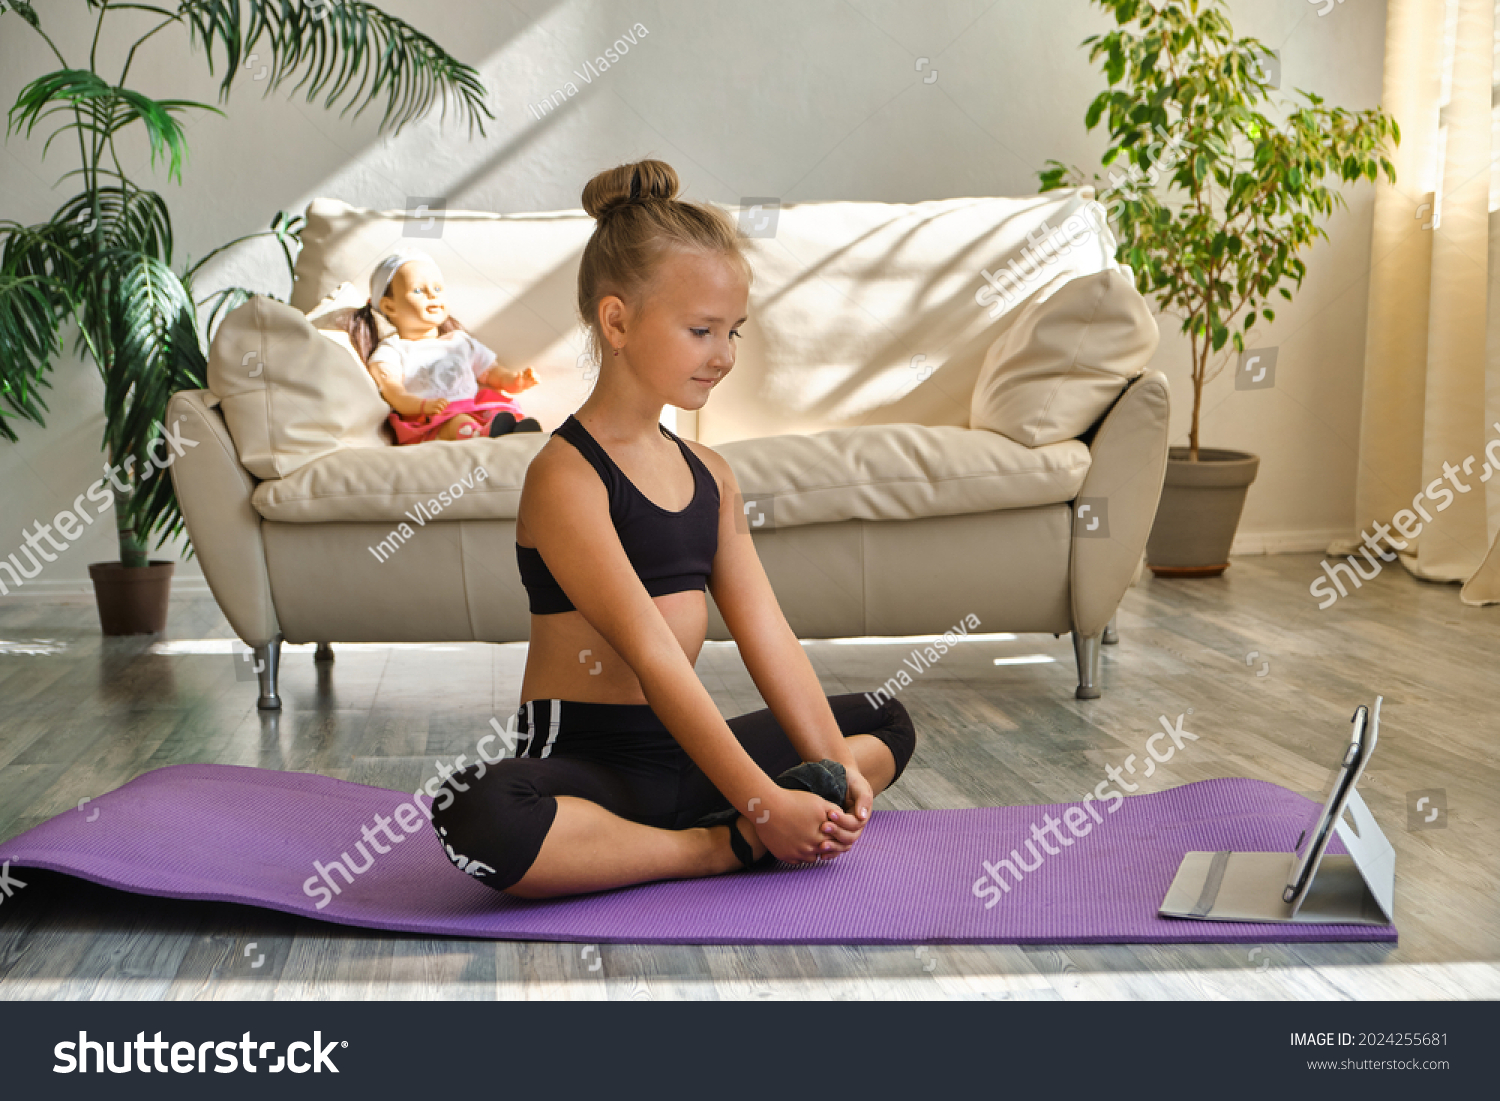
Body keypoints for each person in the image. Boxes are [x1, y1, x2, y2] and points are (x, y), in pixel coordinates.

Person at [429, 159, 917, 899]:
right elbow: (657, 659)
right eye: (700, 330)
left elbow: (768, 636)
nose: (722, 355)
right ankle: (716, 846)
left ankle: (740, 814)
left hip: (688, 752)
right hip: (591, 768)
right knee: (479, 812)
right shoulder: (567, 475)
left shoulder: (712, 475)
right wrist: (763, 802)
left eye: (733, 332)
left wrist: (833, 771)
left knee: (883, 721)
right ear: (617, 320)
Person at [340, 248, 543, 443]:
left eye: (437, 288)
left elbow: (491, 373)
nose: (432, 294)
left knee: (499, 412)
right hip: (429, 420)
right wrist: (422, 406)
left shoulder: (460, 342)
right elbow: (393, 391)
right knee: (459, 422)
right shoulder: (392, 350)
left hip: (472, 409)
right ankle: (481, 436)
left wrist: (515, 381)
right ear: (389, 306)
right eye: (418, 290)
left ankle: (510, 433)